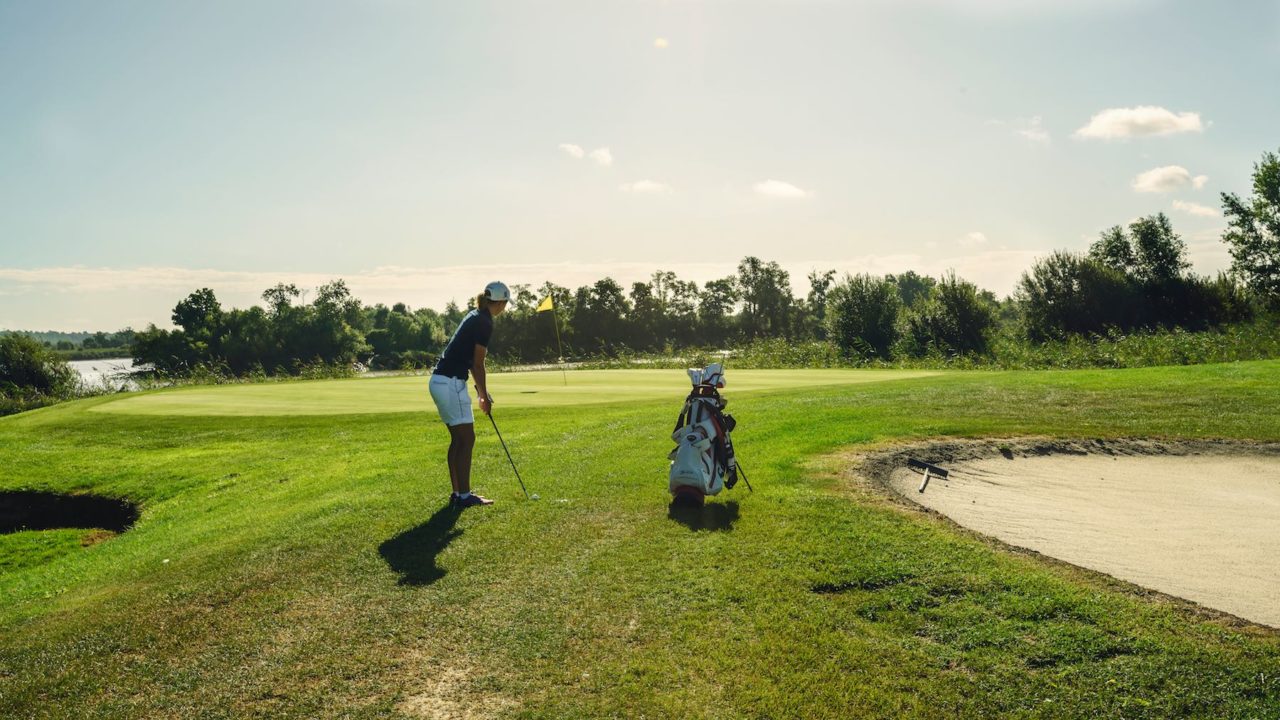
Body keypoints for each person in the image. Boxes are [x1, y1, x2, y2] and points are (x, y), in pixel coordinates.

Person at [429, 281, 509, 508]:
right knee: (467, 438)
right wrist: (483, 395)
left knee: (459, 439)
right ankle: (464, 495)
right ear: (501, 303)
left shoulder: (475, 315)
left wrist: (480, 390)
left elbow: (471, 362)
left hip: (440, 381)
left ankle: (458, 493)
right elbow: (478, 363)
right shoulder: (484, 322)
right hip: (451, 382)